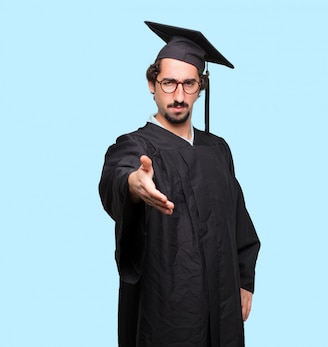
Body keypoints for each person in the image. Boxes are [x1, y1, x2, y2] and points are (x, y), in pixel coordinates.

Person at [99, 21, 261, 347]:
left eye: (189, 84)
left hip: (223, 304)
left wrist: (244, 280)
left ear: (200, 88)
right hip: (167, 308)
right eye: (169, 83)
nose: (178, 95)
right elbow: (118, 174)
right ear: (152, 84)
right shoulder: (134, 146)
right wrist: (133, 183)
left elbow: (239, 220)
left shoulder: (217, 149)